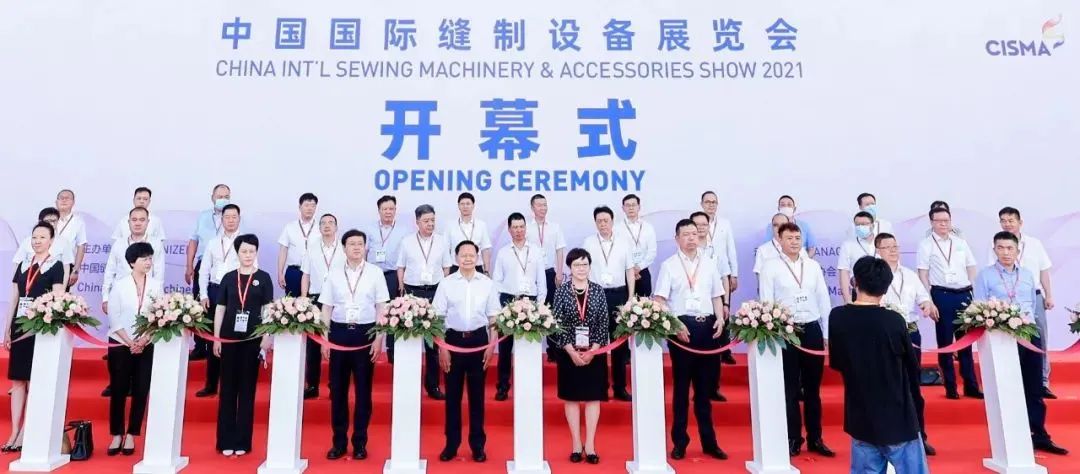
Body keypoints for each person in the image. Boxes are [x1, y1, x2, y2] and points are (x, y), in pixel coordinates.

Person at [829, 256, 929, 473]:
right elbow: (911, 366)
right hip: (897, 415)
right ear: (886, 288)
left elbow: (837, 362)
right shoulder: (893, 320)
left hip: (860, 413)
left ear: (855, 281)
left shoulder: (837, 316)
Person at [975, 232, 1068, 455]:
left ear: (1018, 251)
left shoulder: (1027, 274)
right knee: (1008, 387)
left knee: (1034, 386)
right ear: (994, 250)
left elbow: (1031, 305)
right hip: (1002, 339)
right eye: (1001, 248)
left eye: (1010, 248)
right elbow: (979, 306)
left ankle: (1039, 434)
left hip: (1029, 334)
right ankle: (1013, 438)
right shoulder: (985, 275)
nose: (1006, 253)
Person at [653, 219, 728, 461]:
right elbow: (660, 300)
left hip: (707, 328)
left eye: (694, 234)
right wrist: (675, 325)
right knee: (682, 390)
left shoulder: (709, 263)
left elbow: (716, 295)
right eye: (686, 234)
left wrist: (720, 318)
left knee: (705, 391)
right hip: (682, 331)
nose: (691, 238)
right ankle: (680, 442)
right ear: (677, 239)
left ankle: (710, 443)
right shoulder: (669, 266)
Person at [759, 223, 835, 457]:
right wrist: (773, 332)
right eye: (789, 238)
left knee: (813, 389)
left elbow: (823, 299)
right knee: (790, 389)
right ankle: (793, 438)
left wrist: (826, 333)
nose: (794, 242)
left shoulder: (812, 266)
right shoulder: (770, 266)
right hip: (786, 331)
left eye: (797, 237)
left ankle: (816, 438)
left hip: (811, 329)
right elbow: (767, 300)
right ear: (779, 240)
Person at [318, 229, 388, 460]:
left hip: (365, 334)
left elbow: (381, 308)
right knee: (338, 391)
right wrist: (324, 340)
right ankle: (338, 442)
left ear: (365, 247)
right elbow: (326, 308)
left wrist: (378, 339)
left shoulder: (375, 273)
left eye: (360, 243)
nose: (357, 247)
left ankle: (360, 442)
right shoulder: (334, 274)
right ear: (344, 248)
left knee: (363, 392)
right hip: (338, 333)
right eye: (352, 244)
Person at [1, 222, 66, 452]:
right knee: (17, 380)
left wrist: (42, 320)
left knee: (33, 380)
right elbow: (15, 297)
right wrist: (7, 328)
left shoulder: (56, 266)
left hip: (39, 330)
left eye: (42, 237)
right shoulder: (23, 265)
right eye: (34, 237)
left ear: (51, 240)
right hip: (19, 327)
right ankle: (14, 430)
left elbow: (58, 300)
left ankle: (26, 432)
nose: (37, 241)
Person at [434, 241, 501, 463]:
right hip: (453, 342)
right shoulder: (446, 284)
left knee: (477, 397)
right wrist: (443, 348)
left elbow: (493, 317)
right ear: (456, 258)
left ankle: (478, 445)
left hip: (479, 342)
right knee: (452, 397)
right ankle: (451, 444)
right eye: (463, 255)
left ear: (478, 257)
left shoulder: (487, 284)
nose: (468, 258)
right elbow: (438, 318)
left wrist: (491, 346)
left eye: (472, 255)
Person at [876, 232, 938, 455]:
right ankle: (888, 438)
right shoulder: (874, 276)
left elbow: (923, 296)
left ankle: (919, 437)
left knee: (913, 387)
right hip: (885, 335)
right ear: (878, 251)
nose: (893, 250)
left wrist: (927, 304)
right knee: (888, 386)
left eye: (895, 246)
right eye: (887, 247)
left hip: (910, 333)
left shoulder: (909, 275)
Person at [213, 234, 273, 457]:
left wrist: (266, 336)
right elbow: (220, 308)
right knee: (227, 389)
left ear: (256, 252)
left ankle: (242, 441)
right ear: (237, 253)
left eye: (252, 251)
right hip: (229, 340)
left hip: (252, 341)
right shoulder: (229, 277)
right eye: (244, 251)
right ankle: (225, 440)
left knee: (247, 390)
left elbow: (268, 309)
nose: (248, 255)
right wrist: (217, 338)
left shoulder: (264, 278)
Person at [551, 248, 610, 464]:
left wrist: (593, 350)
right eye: (577, 265)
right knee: (572, 397)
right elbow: (557, 323)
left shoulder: (598, 290)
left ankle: (591, 445)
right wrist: (570, 351)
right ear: (570, 268)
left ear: (590, 267)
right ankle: (576, 443)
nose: (581, 268)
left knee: (593, 396)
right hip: (569, 352)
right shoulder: (561, 291)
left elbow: (603, 322)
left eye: (585, 264)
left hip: (594, 352)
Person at [990, 207, 1056, 399]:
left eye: (1011, 220)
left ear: (1020, 222)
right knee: (1008, 339)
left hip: (1034, 296)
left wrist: (1049, 295)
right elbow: (991, 271)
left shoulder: (1035, 244)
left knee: (1039, 337)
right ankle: (1013, 381)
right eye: (1003, 220)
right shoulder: (995, 245)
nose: (1007, 224)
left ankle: (1042, 381)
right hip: (1006, 299)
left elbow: (1044, 271)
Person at [105, 242, 163, 456]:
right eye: (144, 258)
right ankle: (116, 433)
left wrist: (144, 340)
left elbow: (158, 316)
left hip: (146, 344)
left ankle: (132, 433)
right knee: (118, 389)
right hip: (120, 344)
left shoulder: (156, 285)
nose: (148, 262)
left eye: (150, 258)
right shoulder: (119, 285)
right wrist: (130, 342)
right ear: (132, 262)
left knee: (141, 389)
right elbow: (114, 318)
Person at [916, 206, 981, 400]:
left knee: (966, 342)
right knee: (945, 342)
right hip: (942, 295)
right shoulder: (925, 245)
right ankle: (950, 386)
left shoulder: (960, 242)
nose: (943, 224)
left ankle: (971, 385)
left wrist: (973, 293)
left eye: (946, 220)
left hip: (964, 294)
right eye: (939, 221)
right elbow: (923, 274)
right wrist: (929, 300)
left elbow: (971, 267)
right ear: (932, 223)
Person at [396, 204, 453, 400]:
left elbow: (446, 267)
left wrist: (445, 289)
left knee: (433, 343)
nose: (430, 224)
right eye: (426, 221)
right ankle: (409, 385)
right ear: (417, 222)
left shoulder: (442, 241)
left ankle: (433, 385)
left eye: (432, 220)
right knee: (410, 339)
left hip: (436, 291)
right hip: (413, 292)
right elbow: (401, 267)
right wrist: (401, 288)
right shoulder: (407, 242)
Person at [490, 212, 547, 401]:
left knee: (529, 346)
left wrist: (539, 306)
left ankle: (529, 386)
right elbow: (497, 281)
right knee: (505, 348)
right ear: (509, 230)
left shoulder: (536, 251)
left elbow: (541, 281)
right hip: (509, 301)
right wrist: (499, 308)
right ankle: (503, 386)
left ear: (525, 228)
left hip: (530, 302)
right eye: (515, 227)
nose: (519, 230)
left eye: (521, 226)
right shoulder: (503, 252)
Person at [583, 206, 636, 402]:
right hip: (596, 295)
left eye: (606, 220)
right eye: (599, 221)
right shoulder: (589, 242)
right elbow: (583, 271)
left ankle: (620, 387)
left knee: (619, 343)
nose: (603, 224)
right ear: (595, 223)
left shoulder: (624, 243)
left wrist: (630, 298)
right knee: (596, 341)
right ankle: (599, 387)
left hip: (618, 295)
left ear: (613, 221)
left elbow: (630, 271)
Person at [195, 203, 242, 398]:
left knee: (234, 340)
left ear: (239, 219)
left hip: (236, 293)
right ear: (221, 220)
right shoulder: (213, 243)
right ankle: (211, 384)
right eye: (227, 217)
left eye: (234, 217)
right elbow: (204, 270)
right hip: (214, 292)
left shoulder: (245, 243)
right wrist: (203, 295)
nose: (230, 220)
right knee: (212, 339)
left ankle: (232, 385)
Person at [186, 184, 234, 361]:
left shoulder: (235, 216)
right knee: (199, 306)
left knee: (223, 306)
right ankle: (200, 346)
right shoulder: (203, 216)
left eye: (226, 196)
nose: (223, 199)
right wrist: (189, 266)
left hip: (227, 268)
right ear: (212, 197)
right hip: (203, 266)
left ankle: (222, 343)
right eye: (220, 196)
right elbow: (193, 241)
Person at [690, 211, 734, 400]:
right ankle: (698, 390)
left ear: (709, 227)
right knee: (694, 351)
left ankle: (713, 388)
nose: (701, 228)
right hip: (694, 306)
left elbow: (725, 278)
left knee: (715, 349)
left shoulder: (717, 251)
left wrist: (726, 303)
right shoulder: (686, 251)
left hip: (715, 304)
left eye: (704, 224)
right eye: (697, 225)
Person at [299, 213, 343, 399]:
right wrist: (304, 299)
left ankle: (335, 386)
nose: (327, 226)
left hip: (339, 299)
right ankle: (312, 385)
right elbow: (306, 275)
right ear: (319, 227)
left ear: (336, 227)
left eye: (331, 223)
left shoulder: (344, 248)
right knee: (313, 344)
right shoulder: (312, 248)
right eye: (323, 223)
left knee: (336, 342)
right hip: (316, 298)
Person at [366, 196, 407, 362]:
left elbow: (405, 257)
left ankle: (391, 348)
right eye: (385, 209)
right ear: (379, 211)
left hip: (392, 275)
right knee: (371, 310)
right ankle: (368, 345)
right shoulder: (369, 229)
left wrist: (401, 280)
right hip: (372, 275)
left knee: (392, 312)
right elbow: (364, 252)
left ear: (395, 210)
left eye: (391, 209)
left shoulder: (403, 231)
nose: (388, 212)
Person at [103, 207, 165, 314]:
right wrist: (105, 298)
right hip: (121, 296)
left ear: (148, 222)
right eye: (134, 220)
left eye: (142, 220)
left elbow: (159, 274)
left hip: (147, 297)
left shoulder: (156, 244)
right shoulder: (119, 244)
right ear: (129, 222)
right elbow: (109, 271)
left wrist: (158, 300)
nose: (138, 223)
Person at [11, 208, 74, 282]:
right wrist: (16, 284)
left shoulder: (64, 242)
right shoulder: (28, 241)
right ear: (40, 221)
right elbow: (17, 263)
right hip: (31, 282)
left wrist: (63, 287)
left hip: (55, 283)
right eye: (47, 221)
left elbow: (66, 267)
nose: (51, 224)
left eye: (54, 221)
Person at [277, 193, 319, 296]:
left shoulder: (320, 227)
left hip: (314, 271)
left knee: (314, 302)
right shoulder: (290, 227)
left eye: (313, 206)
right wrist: (280, 272)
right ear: (300, 207)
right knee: (292, 303)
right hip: (294, 271)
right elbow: (283, 251)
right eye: (306, 205)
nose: (310, 208)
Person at [617, 194, 657, 297]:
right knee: (624, 304)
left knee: (645, 304)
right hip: (624, 273)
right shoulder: (616, 228)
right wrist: (630, 269)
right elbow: (616, 252)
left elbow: (652, 252)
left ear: (639, 207)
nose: (631, 208)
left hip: (643, 271)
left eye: (633, 205)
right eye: (627, 205)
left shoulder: (648, 227)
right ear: (623, 208)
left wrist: (639, 267)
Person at [699, 191, 738, 294]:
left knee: (724, 303)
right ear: (701, 204)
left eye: (714, 202)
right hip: (701, 272)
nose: (711, 205)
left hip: (723, 272)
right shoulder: (695, 223)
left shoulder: (725, 223)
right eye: (707, 202)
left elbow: (731, 249)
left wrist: (734, 274)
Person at [837, 211, 880, 304]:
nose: (860, 227)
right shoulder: (848, 245)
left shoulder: (881, 243)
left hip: (881, 292)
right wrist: (847, 300)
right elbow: (844, 272)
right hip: (858, 293)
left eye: (864, 224)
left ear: (872, 226)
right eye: (857, 224)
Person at [446, 192, 493, 273]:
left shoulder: (481, 225)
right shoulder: (450, 225)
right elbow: (446, 249)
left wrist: (486, 271)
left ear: (473, 206)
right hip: (456, 268)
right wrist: (446, 273)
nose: (465, 206)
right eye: (462, 204)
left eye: (468, 204)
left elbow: (485, 249)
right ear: (458, 206)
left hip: (476, 267)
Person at [752, 213, 807, 277]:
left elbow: (807, 271)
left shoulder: (800, 249)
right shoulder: (763, 250)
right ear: (772, 227)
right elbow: (760, 275)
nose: (779, 228)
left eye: (783, 225)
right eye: (776, 225)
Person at [53, 189, 88, 289]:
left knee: (60, 296)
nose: (64, 200)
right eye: (61, 198)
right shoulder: (49, 219)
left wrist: (75, 270)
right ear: (56, 202)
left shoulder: (78, 222)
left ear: (73, 202)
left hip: (66, 265)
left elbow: (81, 246)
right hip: (45, 263)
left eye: (67, 198)